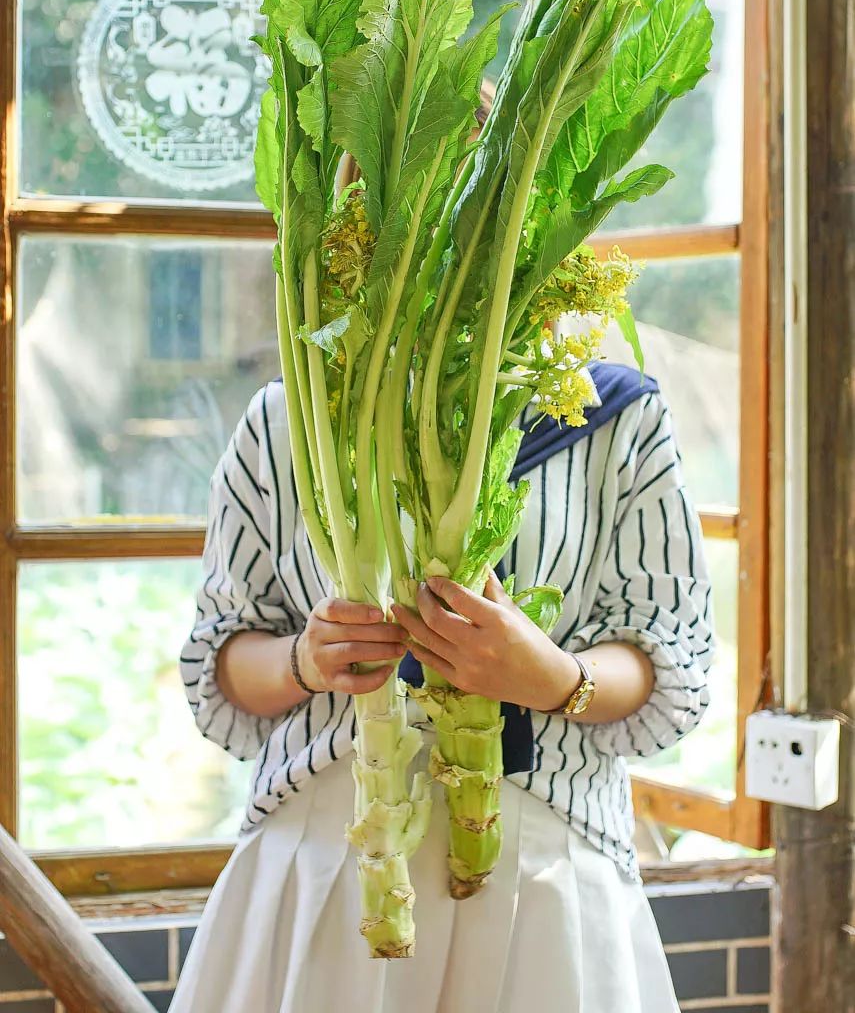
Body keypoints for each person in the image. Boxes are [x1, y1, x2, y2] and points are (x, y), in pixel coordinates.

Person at [170, 363, 713, 1013]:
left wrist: (553, 678)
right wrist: (304, 660)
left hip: (545, 873)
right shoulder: (287, 416)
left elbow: (669, 658)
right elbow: (220, 666)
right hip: (324, 862)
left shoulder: (612, 412)